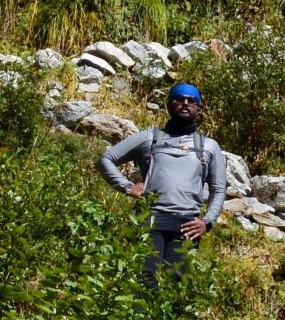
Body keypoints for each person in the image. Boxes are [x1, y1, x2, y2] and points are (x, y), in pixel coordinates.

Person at [97, 83, 226, 285]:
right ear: (168, 104)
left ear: (199, 108)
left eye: (191, 100)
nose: (185, 103)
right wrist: (127, 186)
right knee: (144, 279)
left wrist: (207, 222)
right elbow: (106, 159)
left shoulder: (209, 146)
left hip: (187, 225)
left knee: (173, 283)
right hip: (150, 218)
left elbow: (219, 189)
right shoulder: (149, 138)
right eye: (179, 99)